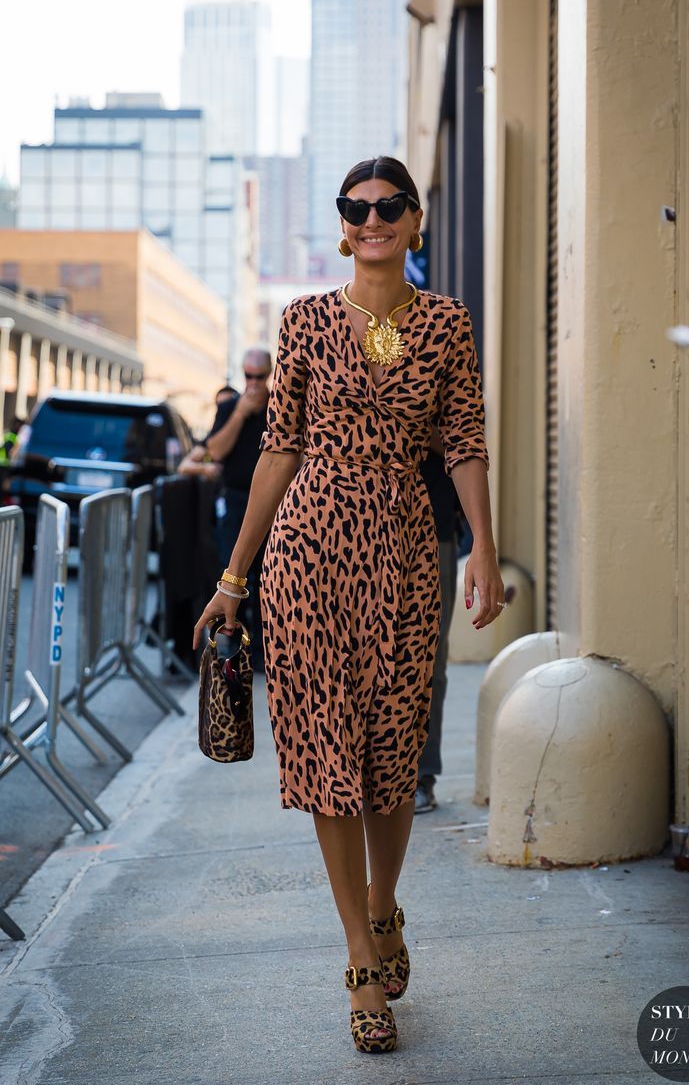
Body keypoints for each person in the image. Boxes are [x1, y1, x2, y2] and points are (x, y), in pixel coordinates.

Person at [193, 156, 505, 1054]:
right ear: (342, 223)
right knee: (326, 743)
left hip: (407, 547)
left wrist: (482, 544)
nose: (371, 219)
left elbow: (466, 441)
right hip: (309, 550)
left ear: (414, 221)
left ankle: (383, 899)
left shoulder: (446, 323)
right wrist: (233, 577)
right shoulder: (303, 321)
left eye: (388, 207)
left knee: (394, 744)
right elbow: (279, 448)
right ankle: (360, 955)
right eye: (356, 207)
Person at [206, 360, 272, 672]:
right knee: (231, 569)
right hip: (235, 501)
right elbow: (215, 450)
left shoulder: (279, 403)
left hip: (271, 502)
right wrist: (240, 414)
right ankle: (230, 640)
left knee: (266, 575)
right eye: (249, 376)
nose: (255, 383)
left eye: (260, 376)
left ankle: (262, 647)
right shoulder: (231, 406)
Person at [414, 424, 462, 813]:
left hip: (434, 529)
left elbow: (464, 446)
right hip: (361, 528)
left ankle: (421, 776)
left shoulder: (440, 362)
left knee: (428, 661)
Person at [176, 386, 237, 481]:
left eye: (229, 405)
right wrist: (204, 468)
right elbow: (184, 466)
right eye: (220, 406)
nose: (224, 410)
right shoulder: (211, 438)